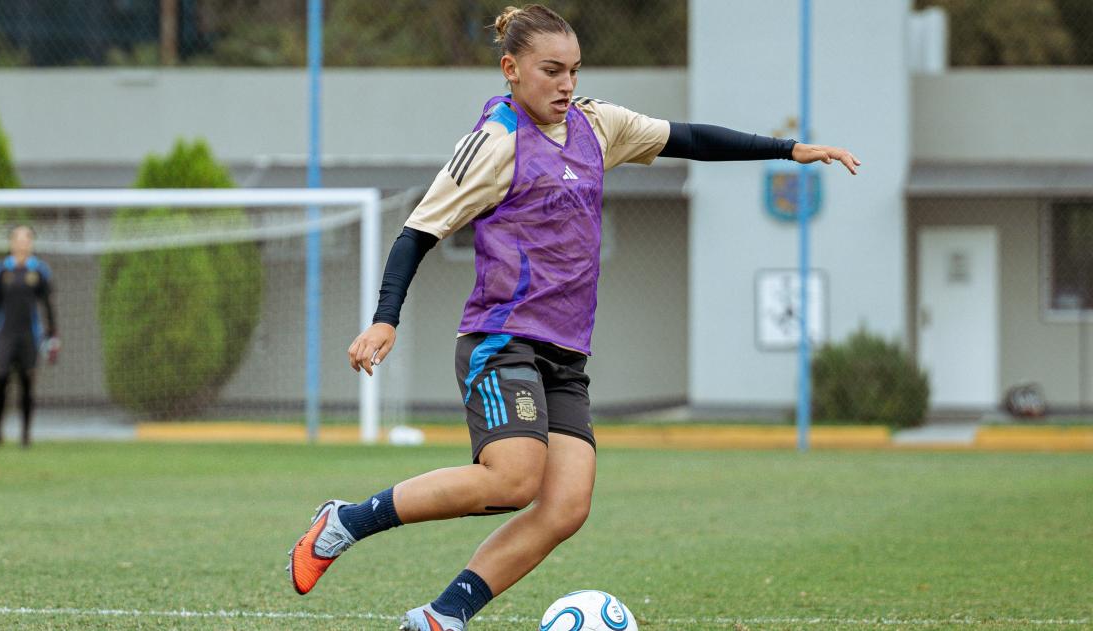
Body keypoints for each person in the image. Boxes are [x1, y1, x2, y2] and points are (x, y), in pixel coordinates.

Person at [289, 5, 860, 630]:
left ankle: (441, 617)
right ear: (511, 69)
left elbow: (687, 138)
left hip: (564, 353)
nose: (567, 85)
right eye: (551, 71)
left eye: (575, 71)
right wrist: (383, 319)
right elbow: (417, 232)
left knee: (565, 506)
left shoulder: (597, 125)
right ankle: (345, 521)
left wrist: (789, 149)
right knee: (513, 480)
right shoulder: (494, 144)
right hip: (501, 341)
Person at [0, 225, 59, 447]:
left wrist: (52, 333)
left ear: (32, 243)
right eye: (18, 238)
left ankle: (25, 435)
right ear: (11, 242)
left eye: (26, 238)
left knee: (27, 382)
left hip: (29, 334)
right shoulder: (1, 271)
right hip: (5, 333)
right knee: (1, 379)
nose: (22, 242)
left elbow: (47, 304)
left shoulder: (39, 271)